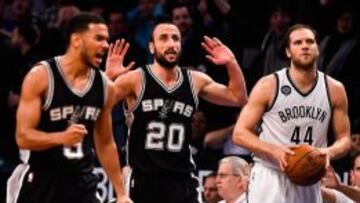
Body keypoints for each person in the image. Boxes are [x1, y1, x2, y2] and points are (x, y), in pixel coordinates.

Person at [105, 22, 247, 203]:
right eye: (163, 38)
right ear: (151, 46)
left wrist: (231, 63)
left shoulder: (195, 80)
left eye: (175, 39)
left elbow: (238, 98)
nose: (171, 43)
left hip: (182, 180)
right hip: (144, 180)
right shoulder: (135, 79)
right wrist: (107, 78)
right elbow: (96, 106)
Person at [6, 13, 131, 203]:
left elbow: (105, 143)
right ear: (76, 40)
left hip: (81, 182)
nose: (106, 45)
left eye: (106, 39)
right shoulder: (41, 76)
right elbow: (23, 137)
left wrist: (121, 193)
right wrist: (60, 138)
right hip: (40, 180)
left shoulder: (105, 86)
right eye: (98, 38)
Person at [233, 24, 351, 203]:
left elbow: (344, 139)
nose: (305, 46)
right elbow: (240, 133)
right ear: (288, 52)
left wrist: (329, 152)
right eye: (298, 42)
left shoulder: (334, 89)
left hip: (309, 177)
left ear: (317, 49)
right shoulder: (269, 85)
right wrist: (274, 151)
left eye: (310, 41)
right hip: (270, 174)